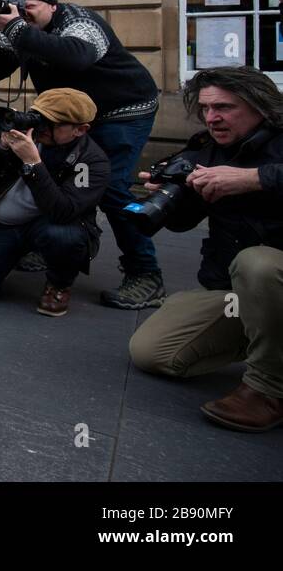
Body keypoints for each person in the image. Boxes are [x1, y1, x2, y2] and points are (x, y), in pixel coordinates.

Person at [0, 0, 164, 310]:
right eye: (17, 7)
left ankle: (146, 274)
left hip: (123, 110)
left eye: (30, 6)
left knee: (113, 190)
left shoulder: (80, 20)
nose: (22, 12)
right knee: (54, 174)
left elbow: (75, 55)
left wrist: (15, 28)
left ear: (53, 5)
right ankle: (54, 244)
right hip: (70, 117)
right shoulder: (22, 29)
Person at [128, 66, 283, 432]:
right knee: (153, 352)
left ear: (260, 106)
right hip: (233, 288)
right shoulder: (207, 150)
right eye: (206, 109)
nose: (213, 118)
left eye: (225, 108)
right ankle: (269, 335)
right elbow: (181, 222)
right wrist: (174, 194)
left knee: (257, 264)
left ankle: (269, 389)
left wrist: (254, 179)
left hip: (267, 274)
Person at [0, 89, 110, 317]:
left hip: (47, 224)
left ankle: (59, 283)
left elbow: (63, 211)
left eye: (53, 124)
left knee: (64, 236)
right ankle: (13, 253)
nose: (42, 129)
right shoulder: (19, 127)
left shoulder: (89, 161)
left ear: (80, 129)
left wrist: (33, 163)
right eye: (40, 119)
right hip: (3, 224)